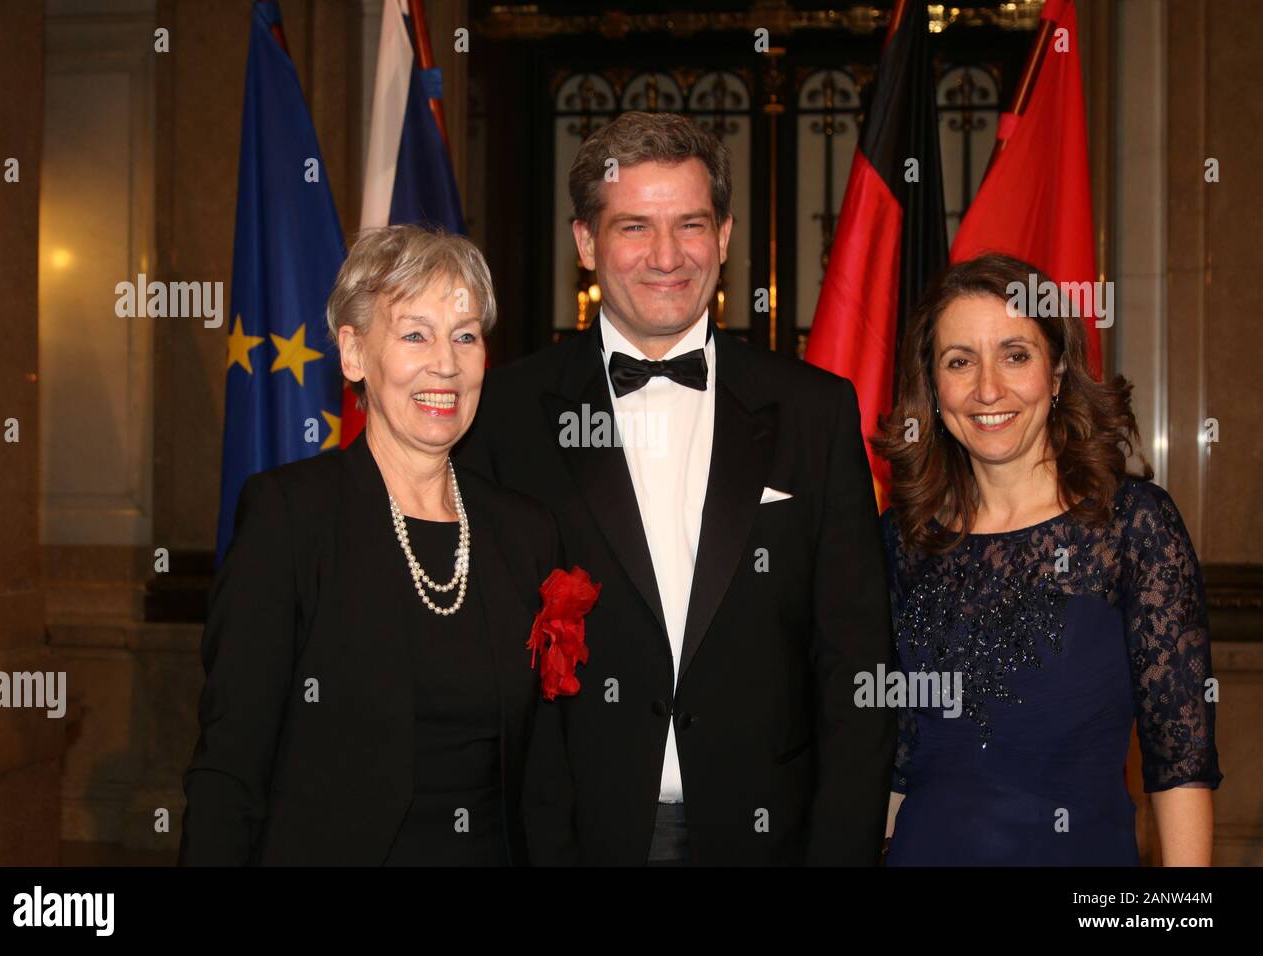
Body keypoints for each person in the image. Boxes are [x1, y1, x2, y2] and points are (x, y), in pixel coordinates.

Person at [456, 111, 895, 865]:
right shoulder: (502, 416)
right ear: (586, 243)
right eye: (634, 227)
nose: (666, 256)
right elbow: (475, 668)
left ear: (724, 236)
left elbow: (857, 665)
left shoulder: (814, 410)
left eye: (690, 224)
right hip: (568, 839)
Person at [180, 225, 561, 865]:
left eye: (465, 336)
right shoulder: (289, 518)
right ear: (354, 354)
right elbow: (230, 766)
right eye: (415, 334)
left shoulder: (524, 532)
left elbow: (548, 773)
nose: (446, 362)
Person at [873, 252, 1222, 866]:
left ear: (1057, 372)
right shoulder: (902, 540)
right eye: (960, 362)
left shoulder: (1134, 528)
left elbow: (1179, 763)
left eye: (1015, 355)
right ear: (932, 388)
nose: (988, 389)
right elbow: (899, 758)